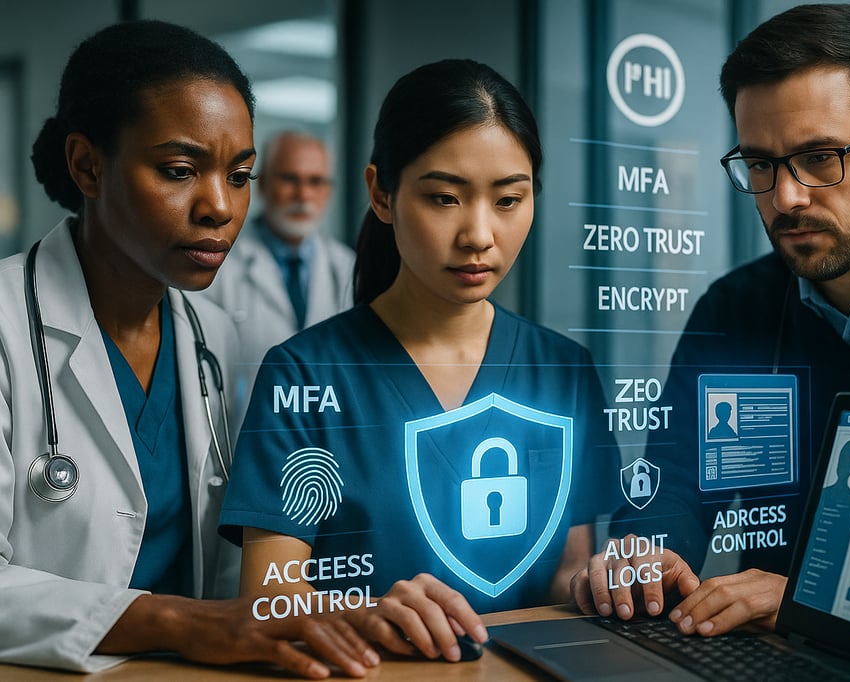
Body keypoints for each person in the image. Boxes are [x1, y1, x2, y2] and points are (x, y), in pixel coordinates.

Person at [572, 3, 850, 655]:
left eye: (819, 158)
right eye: (760, 165)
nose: (786, 197)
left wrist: (815, 602)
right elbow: (673, 487)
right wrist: (647, 555)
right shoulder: (735, 310)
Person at [0, 20, 378, 678]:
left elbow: (230, 562)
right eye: (180, 170)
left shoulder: (210, 333)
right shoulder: (7, 324)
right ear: (87, 165)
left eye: (239, 175)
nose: (219, 207)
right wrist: (177, 621)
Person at [219, 59, 618, 664]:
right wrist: (363, 610)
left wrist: (610, 585)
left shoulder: (563, 369)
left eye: (509, 198)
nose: (479, 234)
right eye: (444, 198)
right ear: (381, 193)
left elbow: (567, 575)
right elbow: (268, 598)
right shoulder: (305, 373)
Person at [200, 130, 356, 414]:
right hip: (245, 442)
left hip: (325, 445)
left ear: (328, 191)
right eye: (289, 179)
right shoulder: (221, 269)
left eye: (315, 181)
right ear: (262, 186)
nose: (303, 194)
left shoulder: (348, 269)